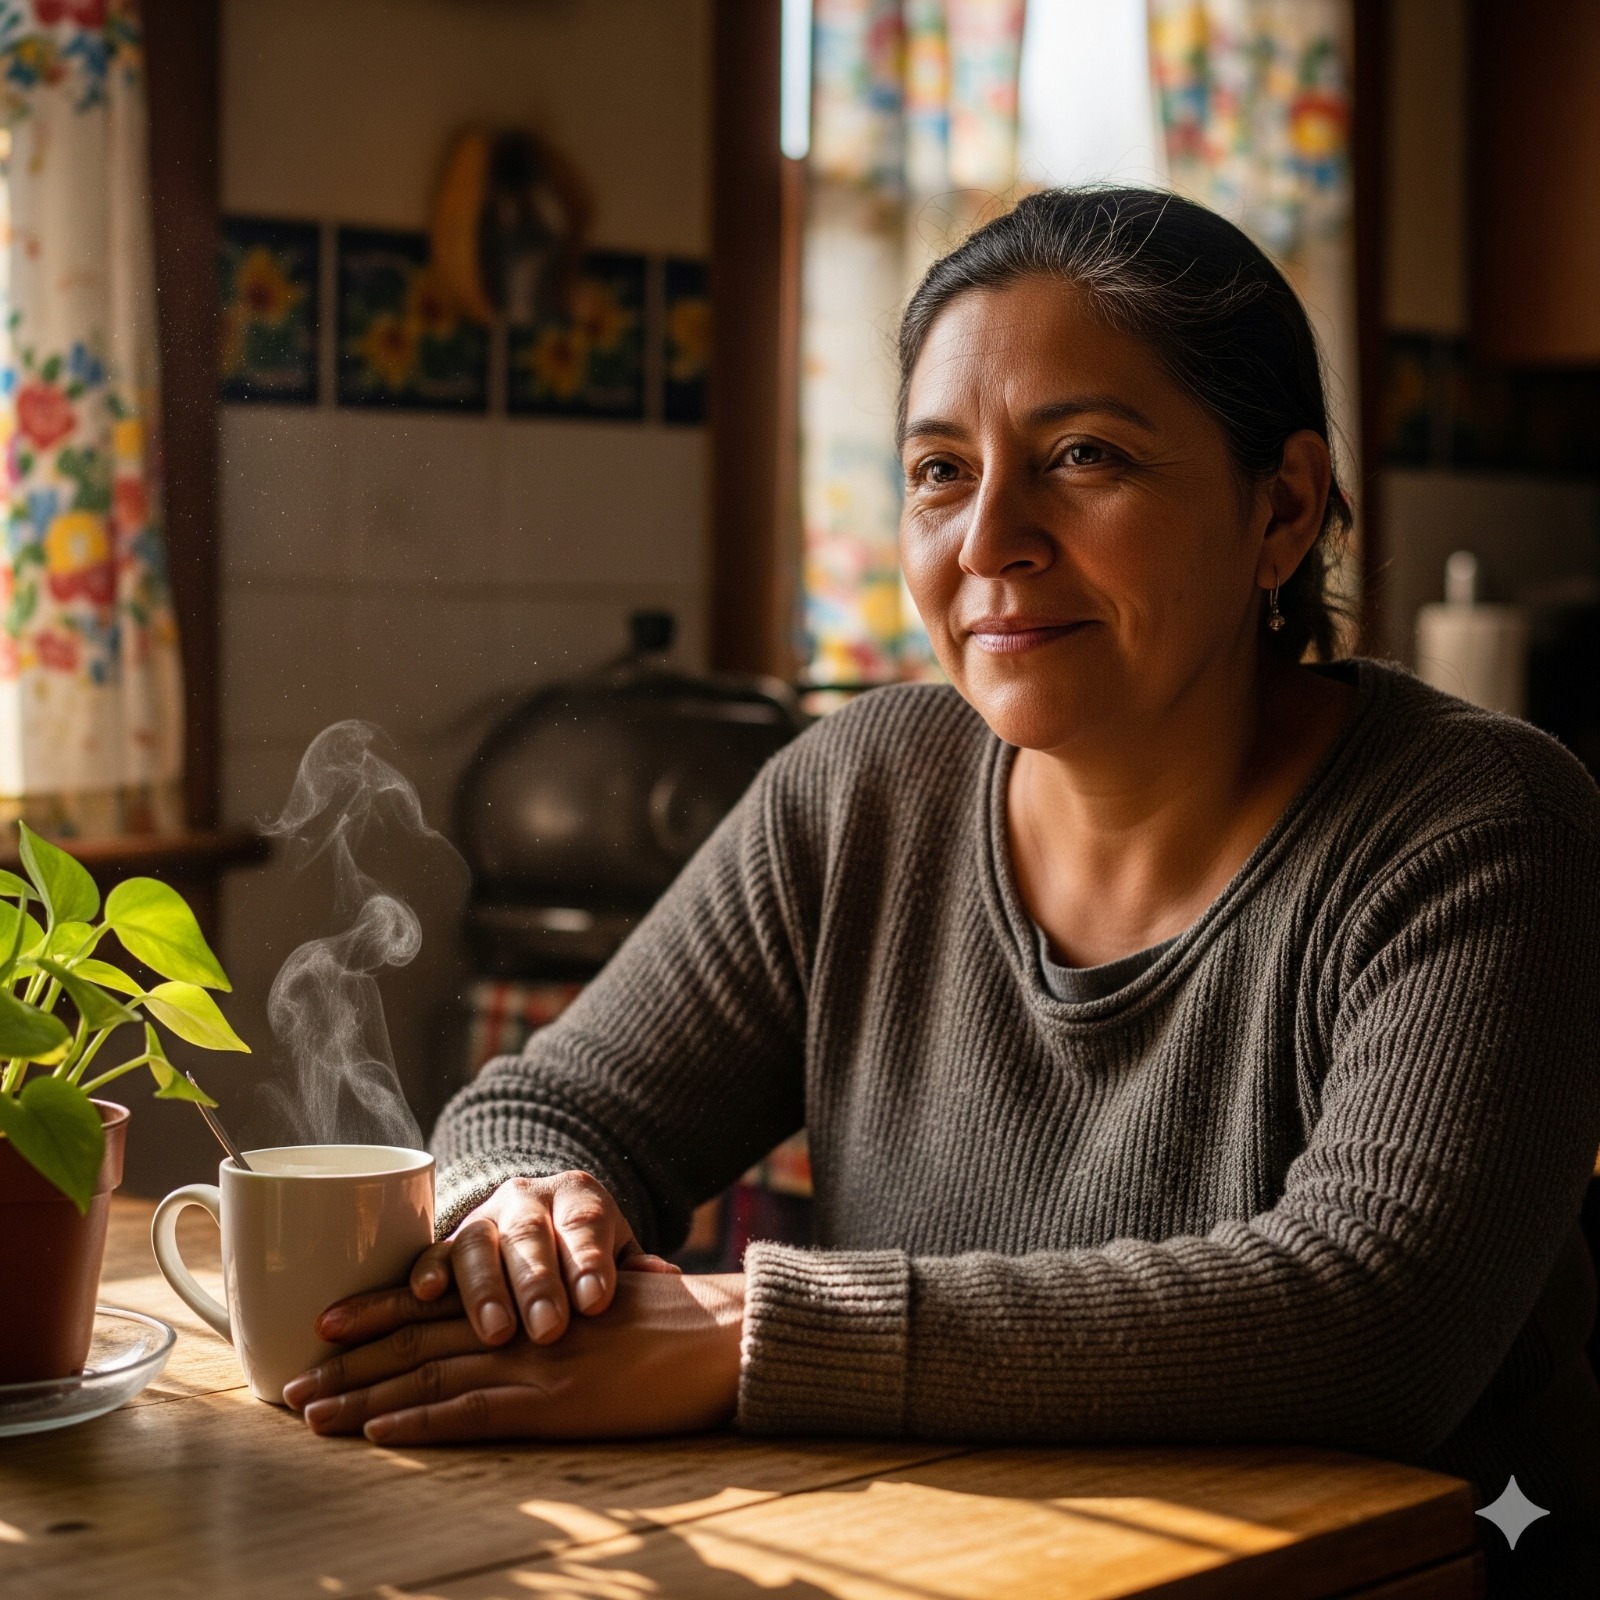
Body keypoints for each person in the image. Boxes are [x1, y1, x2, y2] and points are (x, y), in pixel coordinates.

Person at [283, 189, 1600, 1595]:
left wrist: (742, 1339)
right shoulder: (863, 793)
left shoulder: (1483, 821)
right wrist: (522, 1219)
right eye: (938, 472)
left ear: (1280, 509)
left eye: (1084, 456)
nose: (989, 541)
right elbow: (541, 1108)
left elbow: (1371, 1321)